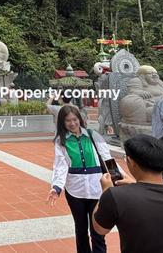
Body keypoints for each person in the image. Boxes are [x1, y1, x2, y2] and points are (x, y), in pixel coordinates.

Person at [93, 134, 163, 253]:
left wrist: (105, 189)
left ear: (130, 161)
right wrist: (134, 184)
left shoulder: (115, 196)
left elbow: (100, 229)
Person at [47, 105, 113, 253]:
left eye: (74, 119)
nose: (72, 123)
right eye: (67, 121)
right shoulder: (61, 141)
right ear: (62, 123)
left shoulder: (93, 135)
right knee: (81, 229)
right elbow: (60, 166)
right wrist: (57, 188)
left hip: (97, 188)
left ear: (80, 119)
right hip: (75, 190)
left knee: (97, 229)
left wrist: (118, 180)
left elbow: (107, 158)